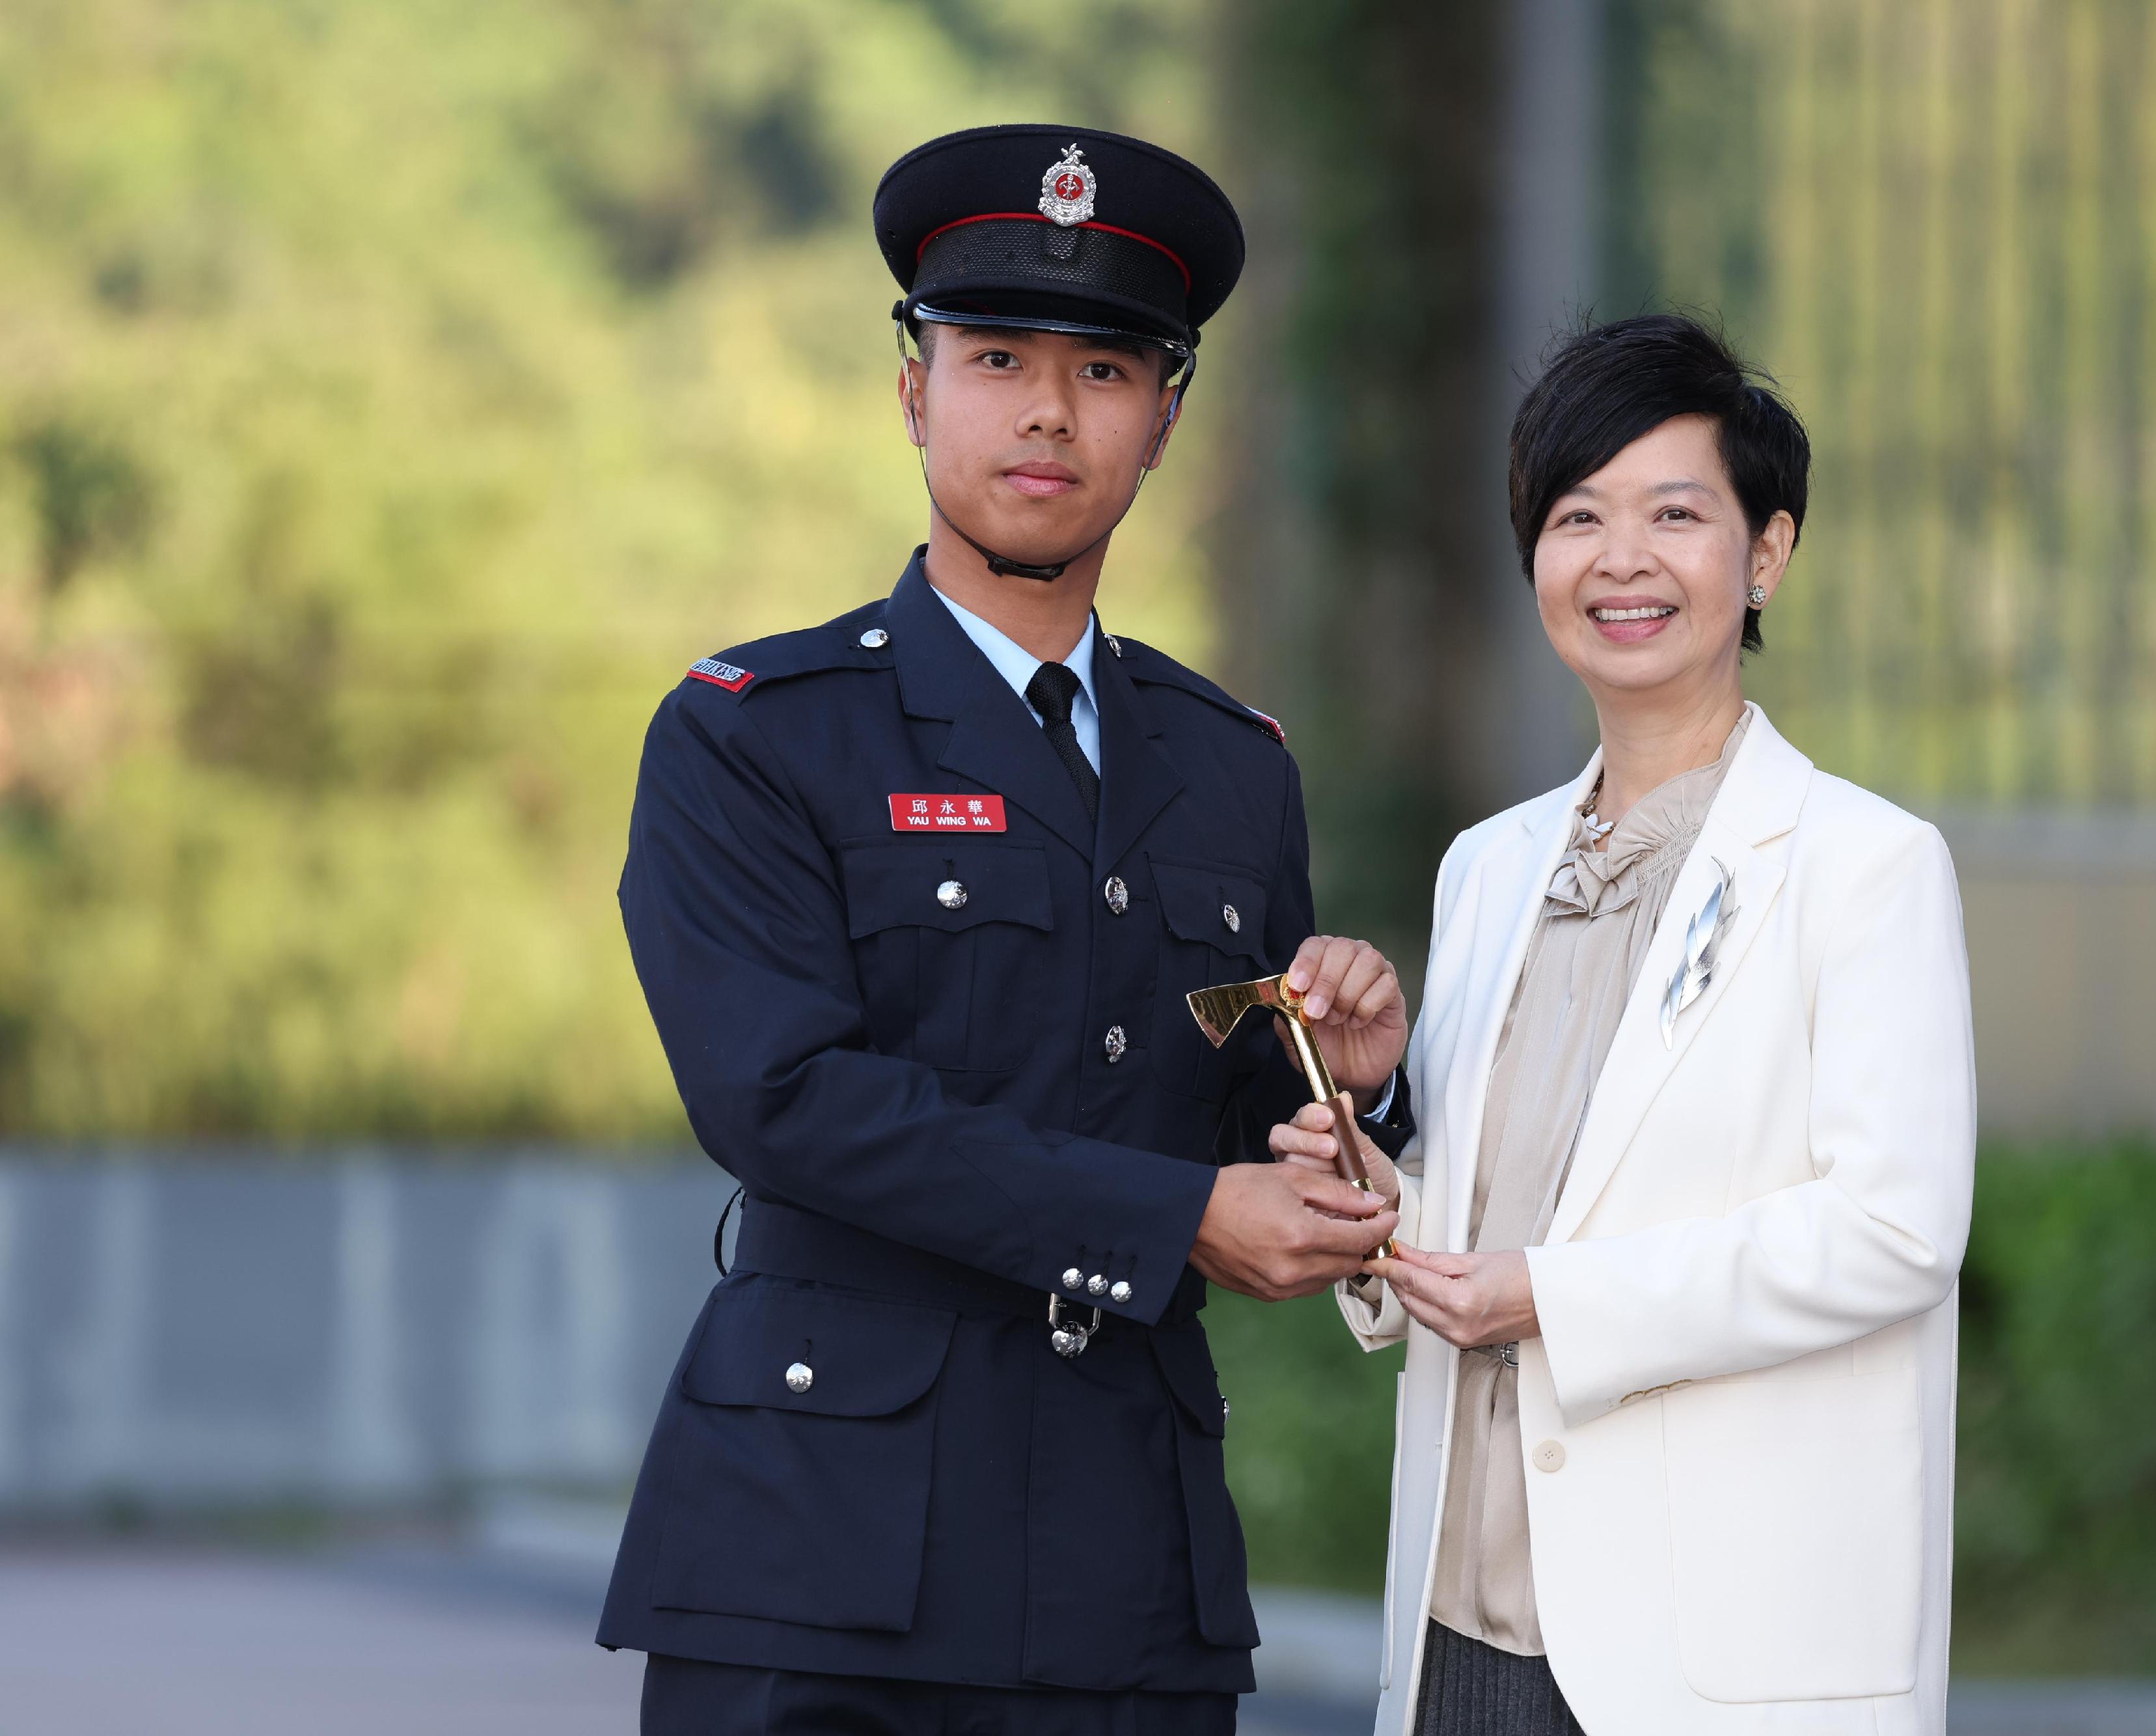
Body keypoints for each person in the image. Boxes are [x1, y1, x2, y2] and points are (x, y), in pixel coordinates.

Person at [597, 124, 1413, 1736]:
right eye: (993, 358)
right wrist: (1182, 1216)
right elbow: (787, 1099)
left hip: (1128, 1559)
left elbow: (1259, 1138)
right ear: (914, 391)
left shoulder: (1230, 766)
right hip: (822, 1549)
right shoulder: (756, 732)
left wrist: (1360, 1088)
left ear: (1165, 415)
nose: (1048, 409)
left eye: (1106, 370)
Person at [1273, 314, 1976, 1735]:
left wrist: (1555, 1300)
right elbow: (1498, 1214)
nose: (1621, 558)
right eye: (1577, 515)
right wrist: (1374, 1158)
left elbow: (1896, 1227)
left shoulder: (1863, 864)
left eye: (1675, 513)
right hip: (1459, 1632)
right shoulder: (1488, 865)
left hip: (1712, 1660)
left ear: (1763, 552)